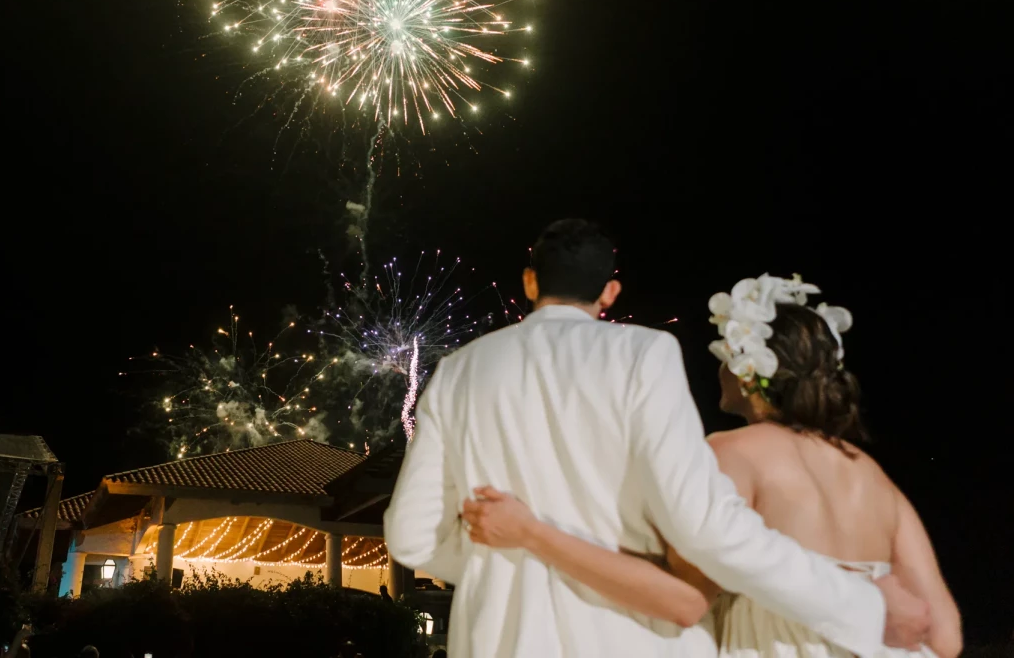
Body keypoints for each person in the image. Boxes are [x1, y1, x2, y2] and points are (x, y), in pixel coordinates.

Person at [384, 221, 931, 658]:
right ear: (609, 291)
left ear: (530, 282)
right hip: (635, 637)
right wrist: (860, 607)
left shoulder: (458, 370)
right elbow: (707, 527)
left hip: (498, 640)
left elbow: (410, 538)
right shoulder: (644, 353)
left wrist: (500, 564)